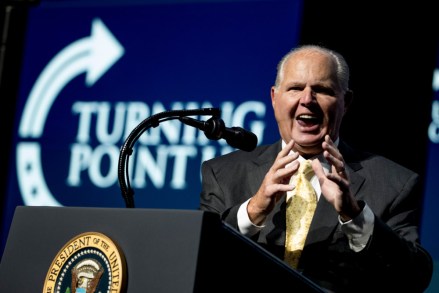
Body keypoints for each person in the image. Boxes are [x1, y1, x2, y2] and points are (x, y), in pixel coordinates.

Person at [199, 44, 433, 292]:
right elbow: (200, 259)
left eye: (322, 90)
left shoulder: (394, 183)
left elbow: (413, 278)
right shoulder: (223, 174)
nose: (307, 100)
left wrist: (355, 216)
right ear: (274, 98)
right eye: (295, 88)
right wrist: (254, 209)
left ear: (346, 102)